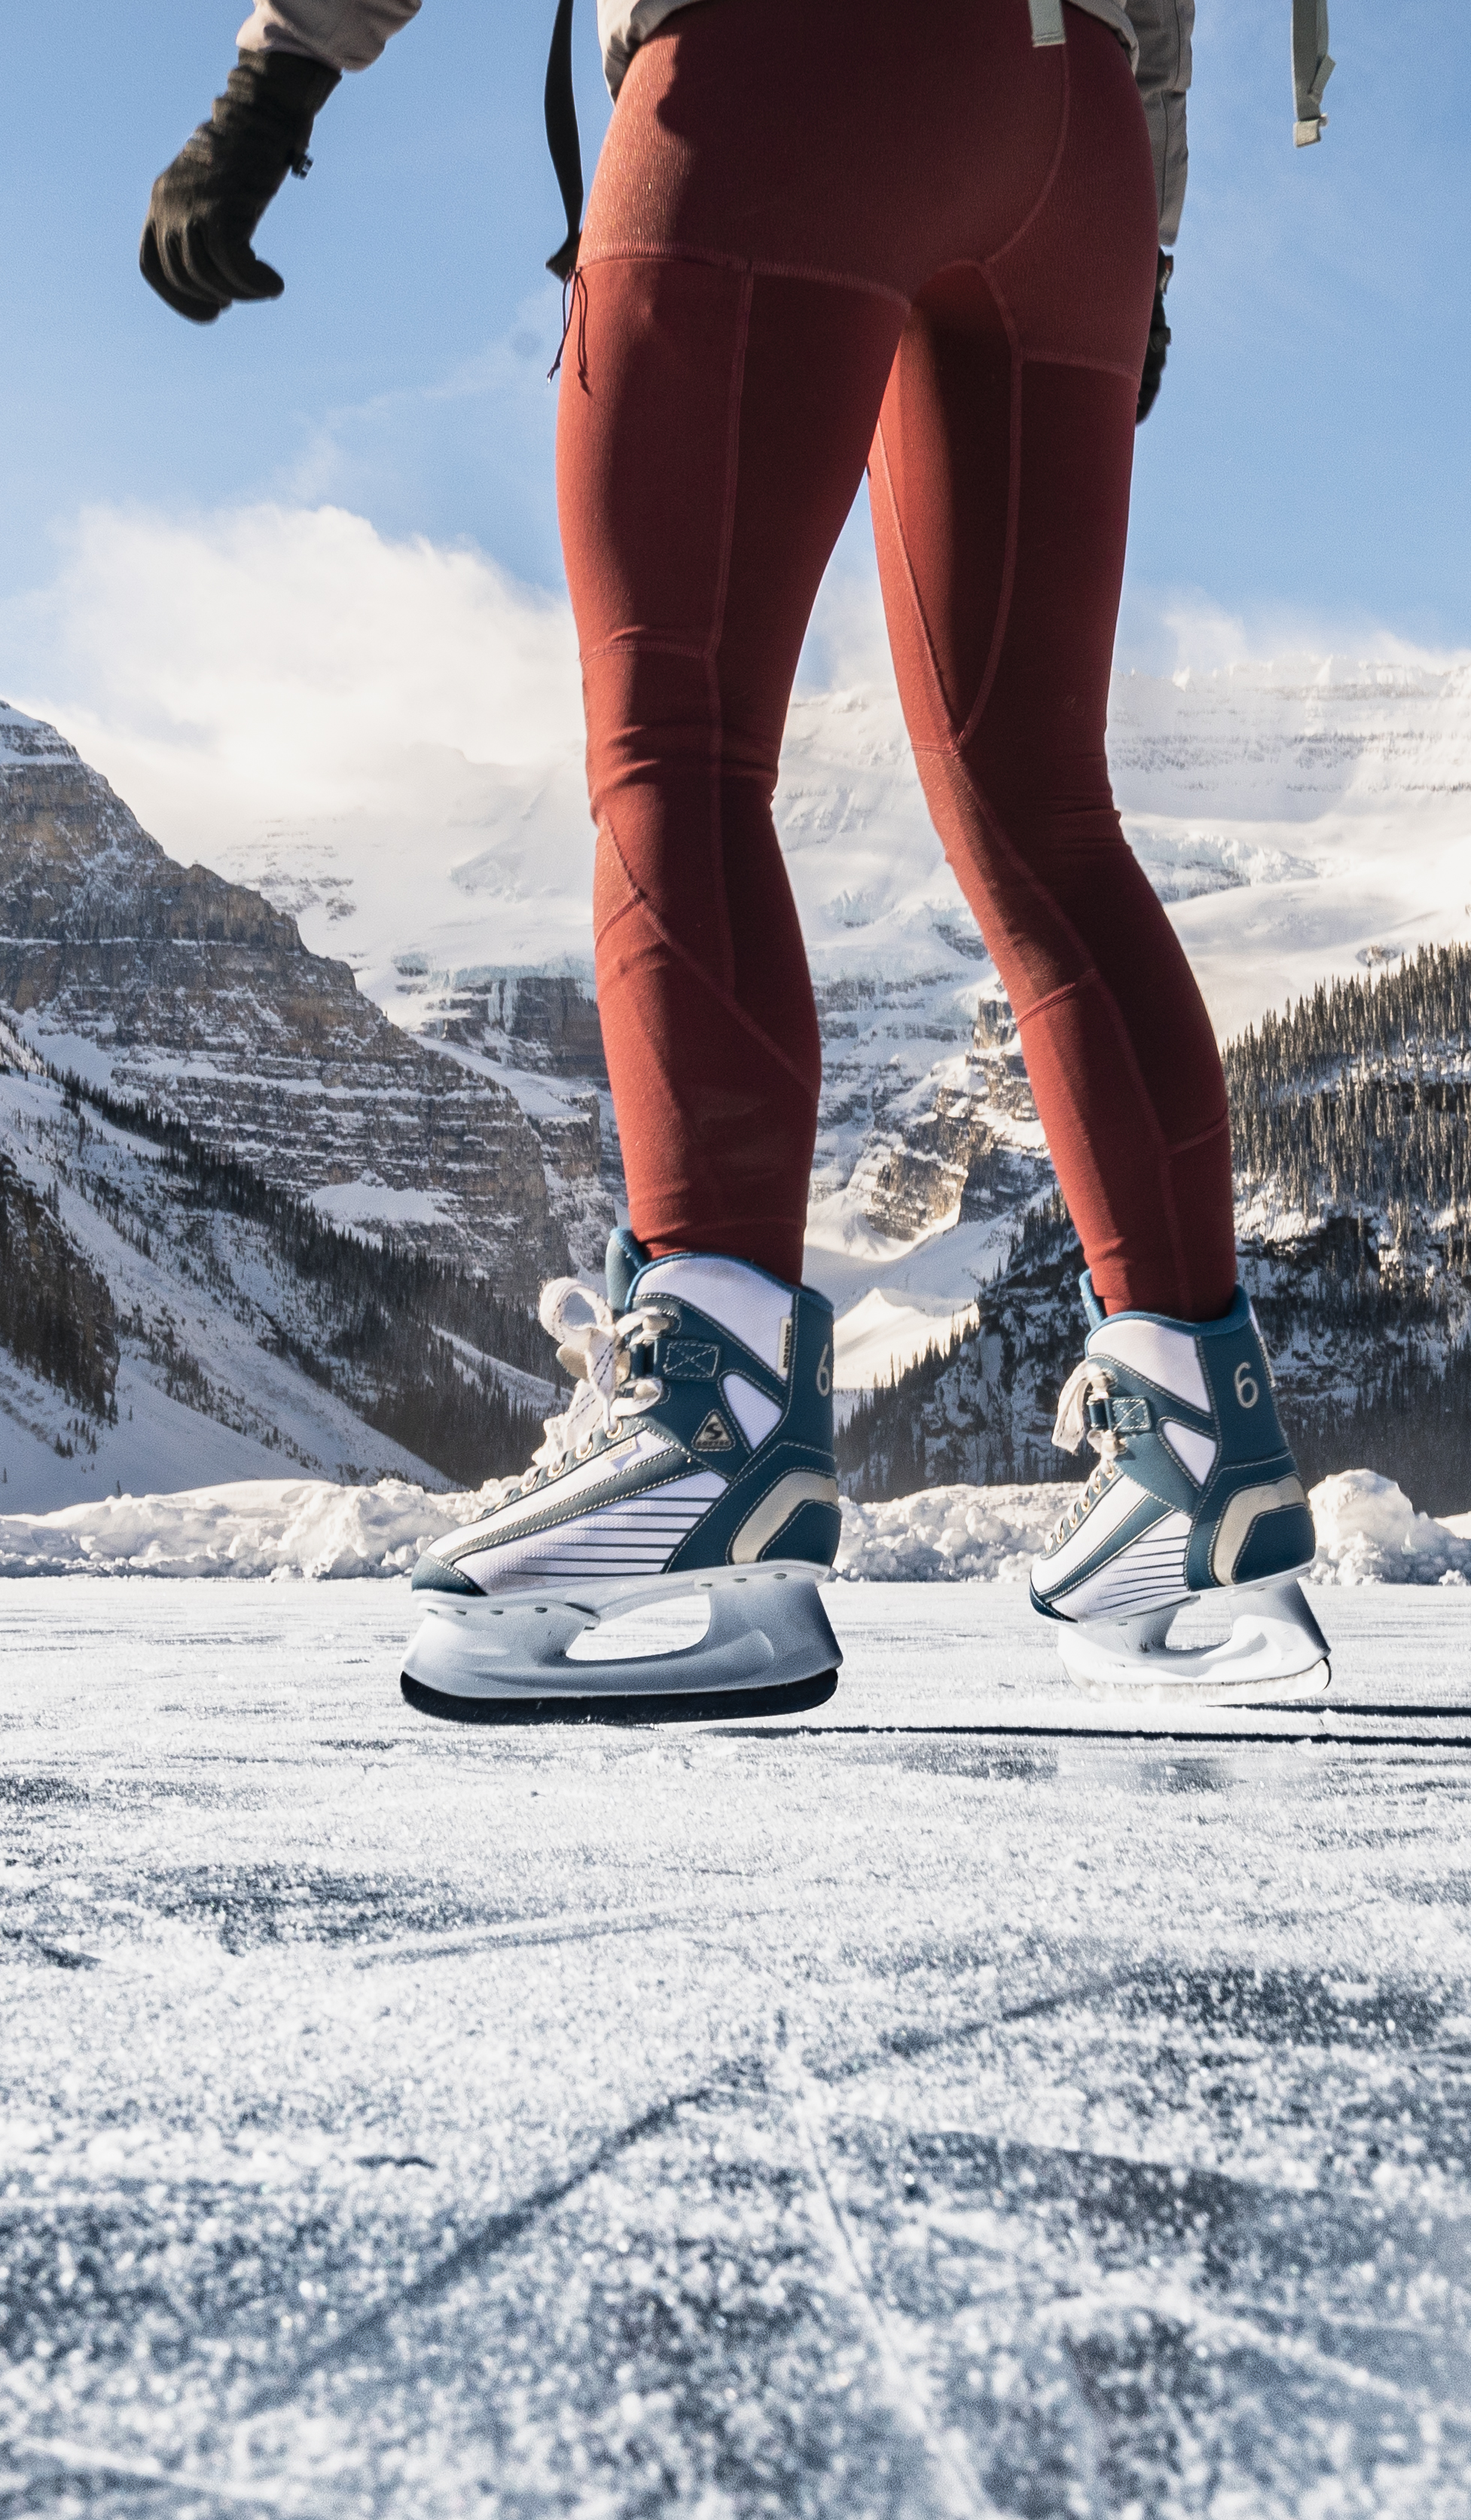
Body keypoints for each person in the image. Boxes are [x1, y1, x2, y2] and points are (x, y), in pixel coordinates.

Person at [141, 0, 1335, 1718]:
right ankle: (1203, 1454)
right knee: (1046, 814)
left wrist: (271, 86)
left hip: (789, 67)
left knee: (677, 744)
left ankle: (711, 1430)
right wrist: (1138, 219)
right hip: (1065, 116)